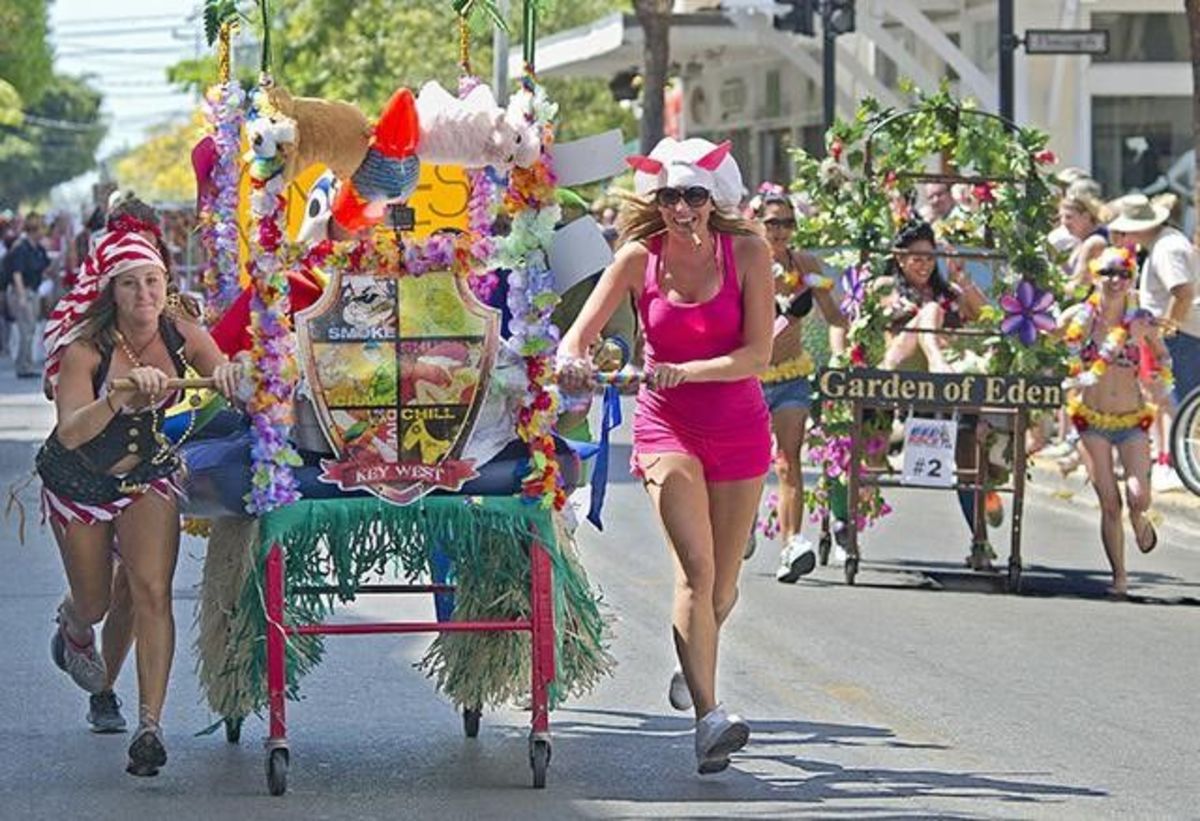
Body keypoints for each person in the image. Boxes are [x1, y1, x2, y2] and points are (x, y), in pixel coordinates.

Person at [556, 138, 773, 774]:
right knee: (696, 573)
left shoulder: (750, 254)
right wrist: (574, 360)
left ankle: (694, 659)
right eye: (671, 197)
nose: (682, 209)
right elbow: (580, 334)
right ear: (658, 201)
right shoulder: (635, 259)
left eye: (694, 197)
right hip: (665, 427)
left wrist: (690, 370)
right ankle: (710, 717)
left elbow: (757, 355)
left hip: (738, 428)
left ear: (715, 200)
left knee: (725, 587)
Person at [36, 226, 240, 776]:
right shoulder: (84, 348)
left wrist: (226, 375)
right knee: (97, 602)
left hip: (147, 475)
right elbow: (72, 433)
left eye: (152, 281)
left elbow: (218, 371)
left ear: (166, 283)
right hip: (81, 482)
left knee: (153, 590)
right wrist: (115, 397)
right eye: (130, 285)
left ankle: (151, 726)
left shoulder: (180, 328)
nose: (144, 295)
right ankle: (74, 627)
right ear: (112, 293)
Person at [874, 220, 1003, 568]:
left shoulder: (949, 294)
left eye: (929, 257)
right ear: (900, 259)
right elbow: (881, 323)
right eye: (915, 257)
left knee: (969, 460)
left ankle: (980, 542)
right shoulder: (886, 288)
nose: (923, 264)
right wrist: (926, 324)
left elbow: (988, 317)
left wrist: (962, 279)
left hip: (945, 393)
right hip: (902, 380)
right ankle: (937, 362)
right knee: (929, 313)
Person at [1060, 246, 1170, 596]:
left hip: (1131, 419)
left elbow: (1163, 355)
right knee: (1110, 502)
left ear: (1131, 279)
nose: (1115, 280)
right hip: (1090, 421)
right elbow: (1047, 338)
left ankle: (1139, 519)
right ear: (1095, 274)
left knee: (1139, 497)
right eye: (1108, 272)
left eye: (1123, 273)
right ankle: (1119, 577)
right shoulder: (1080, 317)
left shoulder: (1142, 320)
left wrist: (1159, 381)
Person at [750, 190, 846, 582]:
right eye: (773, 222)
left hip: (791, 376)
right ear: (756, 221)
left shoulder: (804, 265)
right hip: (749, 380)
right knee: (750, 463)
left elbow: (834, 314)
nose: (780, 231)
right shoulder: (744, 261)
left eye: (788, 223)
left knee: (788, 460)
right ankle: (744, 526)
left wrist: (843, 351)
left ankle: (792, 545)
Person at [1107, 194, 1199, 491]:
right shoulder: (1164, 243)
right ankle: (1180, 464)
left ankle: (1183, 466)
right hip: (1179, 334)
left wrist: (1169, 327)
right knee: (1173, 403)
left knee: (1182, 405)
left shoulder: (1166, 247)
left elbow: (1183, 291)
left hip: (1183, 336)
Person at [3, 213, 52, 377]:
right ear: (33, 230)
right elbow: (17, 273)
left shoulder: (37, 248)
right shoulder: (22, 247)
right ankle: (23, 366)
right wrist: (22, 296)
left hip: (33, 290)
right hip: (22, 291)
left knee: (30, 329)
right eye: (40, 229)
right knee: (26, 329)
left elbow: (46, 266)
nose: (43, 233)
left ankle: (26, 364)